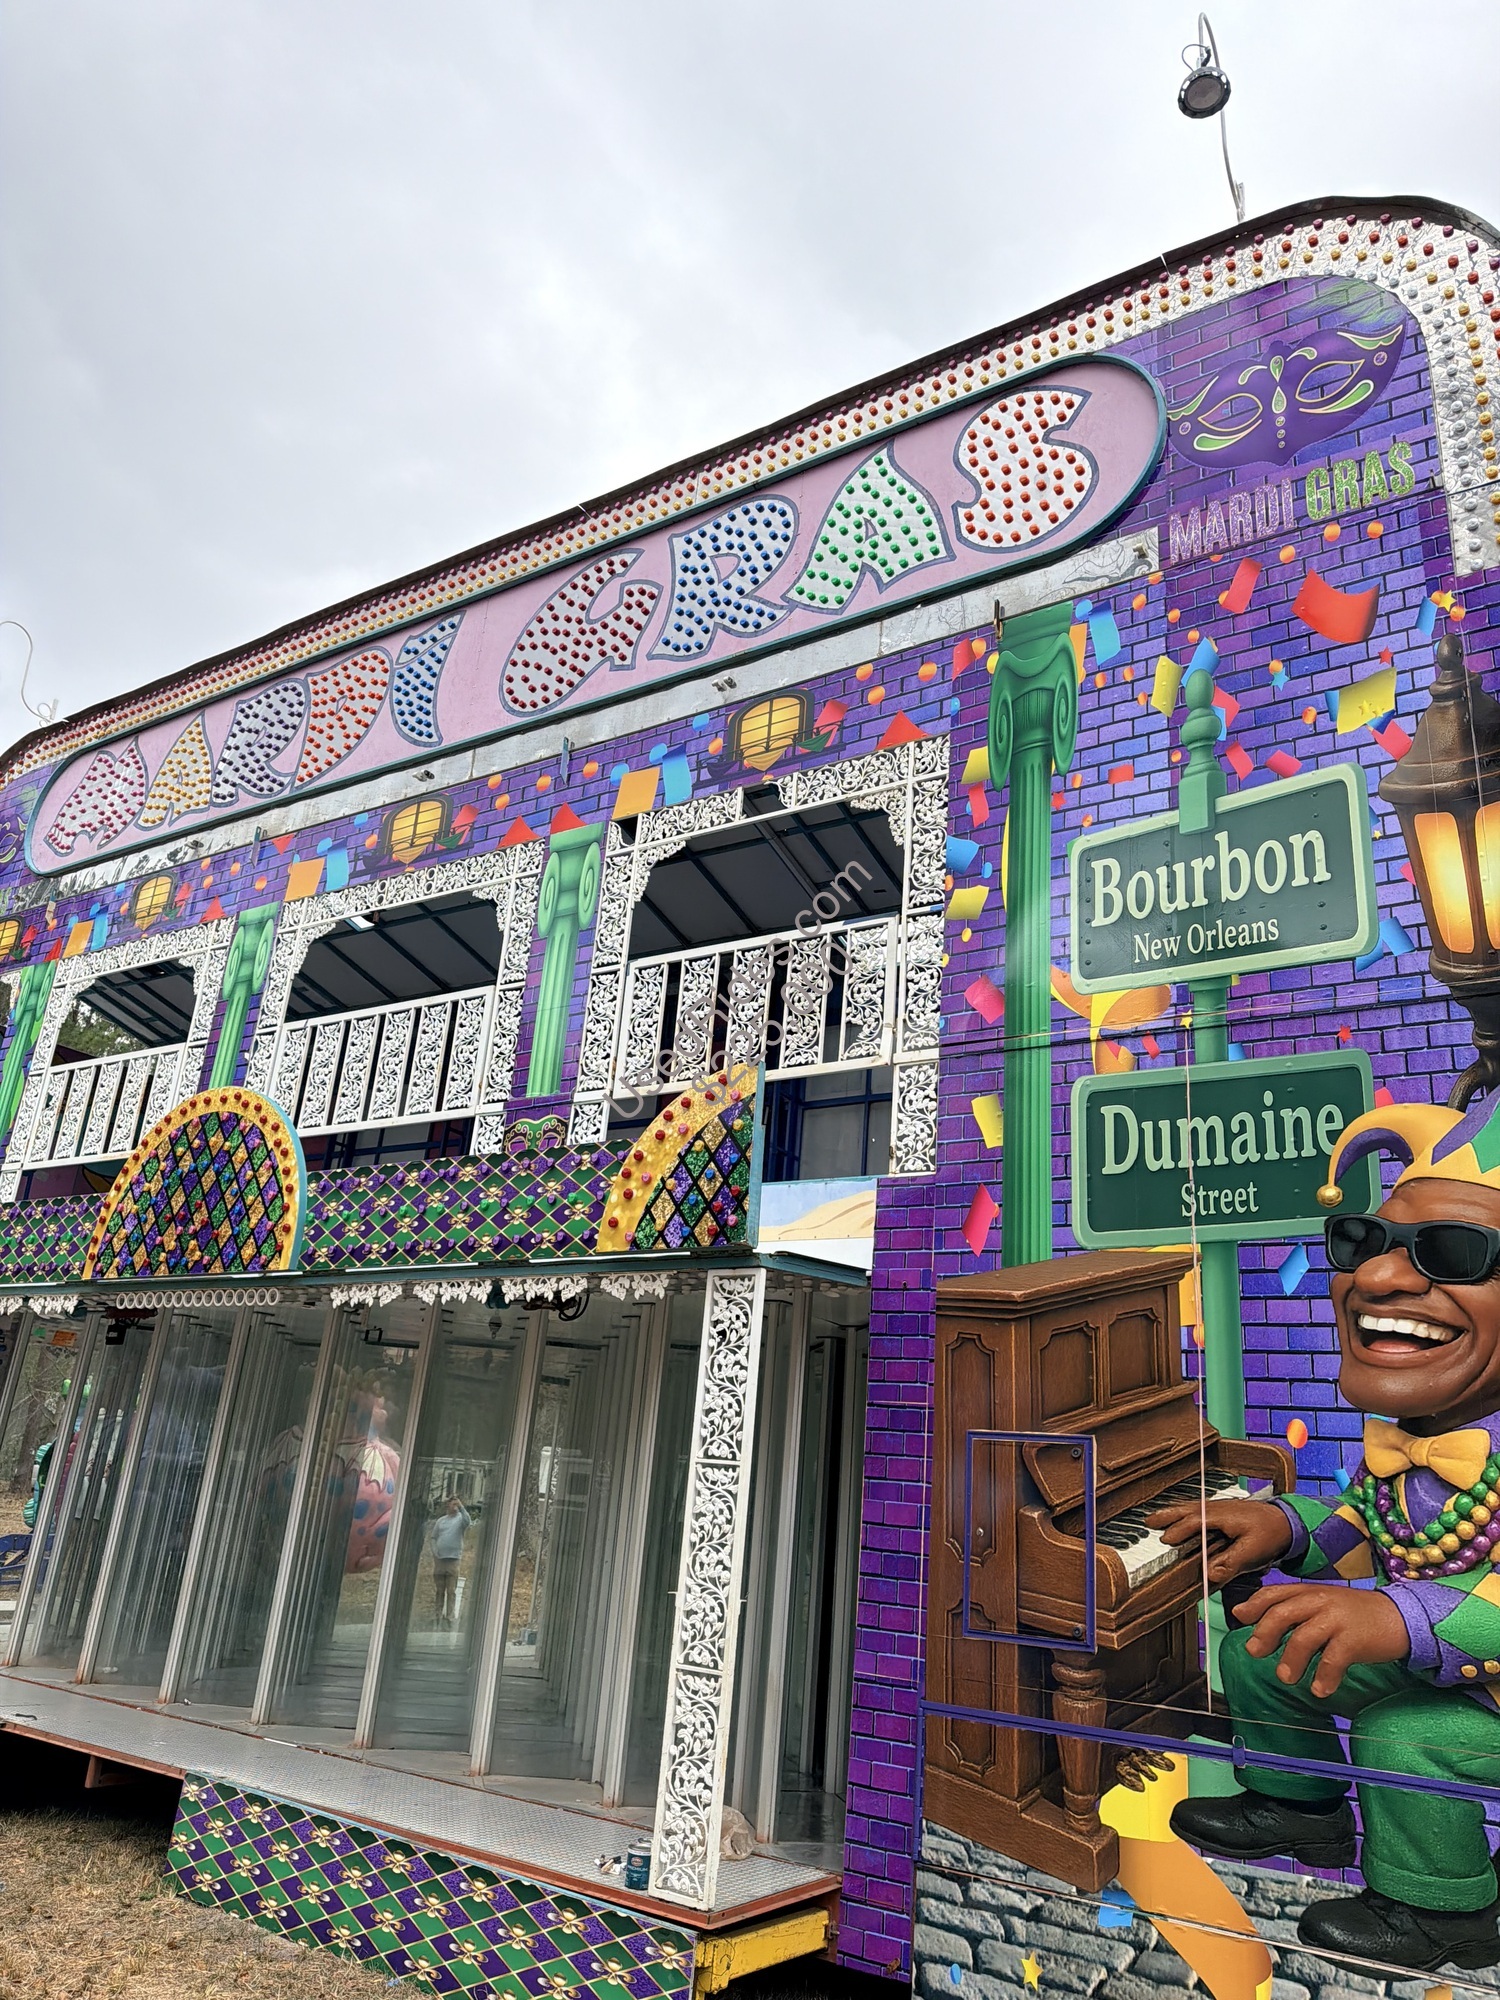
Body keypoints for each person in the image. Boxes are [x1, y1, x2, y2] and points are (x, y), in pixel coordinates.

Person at [1149, 1099, 1500, 1975]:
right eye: (1364, 1240)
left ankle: (1446, 1910)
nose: (1376, 1277)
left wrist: (1399, 1618)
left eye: (1455, 1251)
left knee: (1403, 1733)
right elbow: (1363, 1532)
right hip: (1448, 1661)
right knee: (1263, 1647)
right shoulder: (1412, 1441)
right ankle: (1301, 1807)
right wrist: (1281, 1527)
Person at [427, 1493, 471, 1627]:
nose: (455, 1505)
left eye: (456, 1503)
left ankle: (450, 1617)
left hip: (453, 1559)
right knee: (440, 1590)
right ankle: (437, 1615)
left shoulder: (460, 1519)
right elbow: (433, 1537)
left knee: (451, 1591)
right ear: (448, 1505)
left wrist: (461, 1507)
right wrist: (435, 1552)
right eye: (453, 1503)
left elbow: (468, 1521)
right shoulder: (441, 1521)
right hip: (440, 1560)